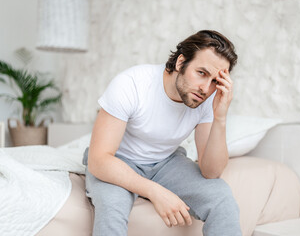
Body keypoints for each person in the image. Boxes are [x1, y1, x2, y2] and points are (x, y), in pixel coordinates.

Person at [83, 30, 242, 236]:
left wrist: (220, 117)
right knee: (112, 208)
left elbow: (211, 172)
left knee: (221, 196)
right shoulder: (131, 84)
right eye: (201, 73)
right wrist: (154, 191)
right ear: (180, 62)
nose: (205, 88)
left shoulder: (207, 98)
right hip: (117, 161)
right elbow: (98, 160)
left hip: (167, 162)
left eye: (214, 81)